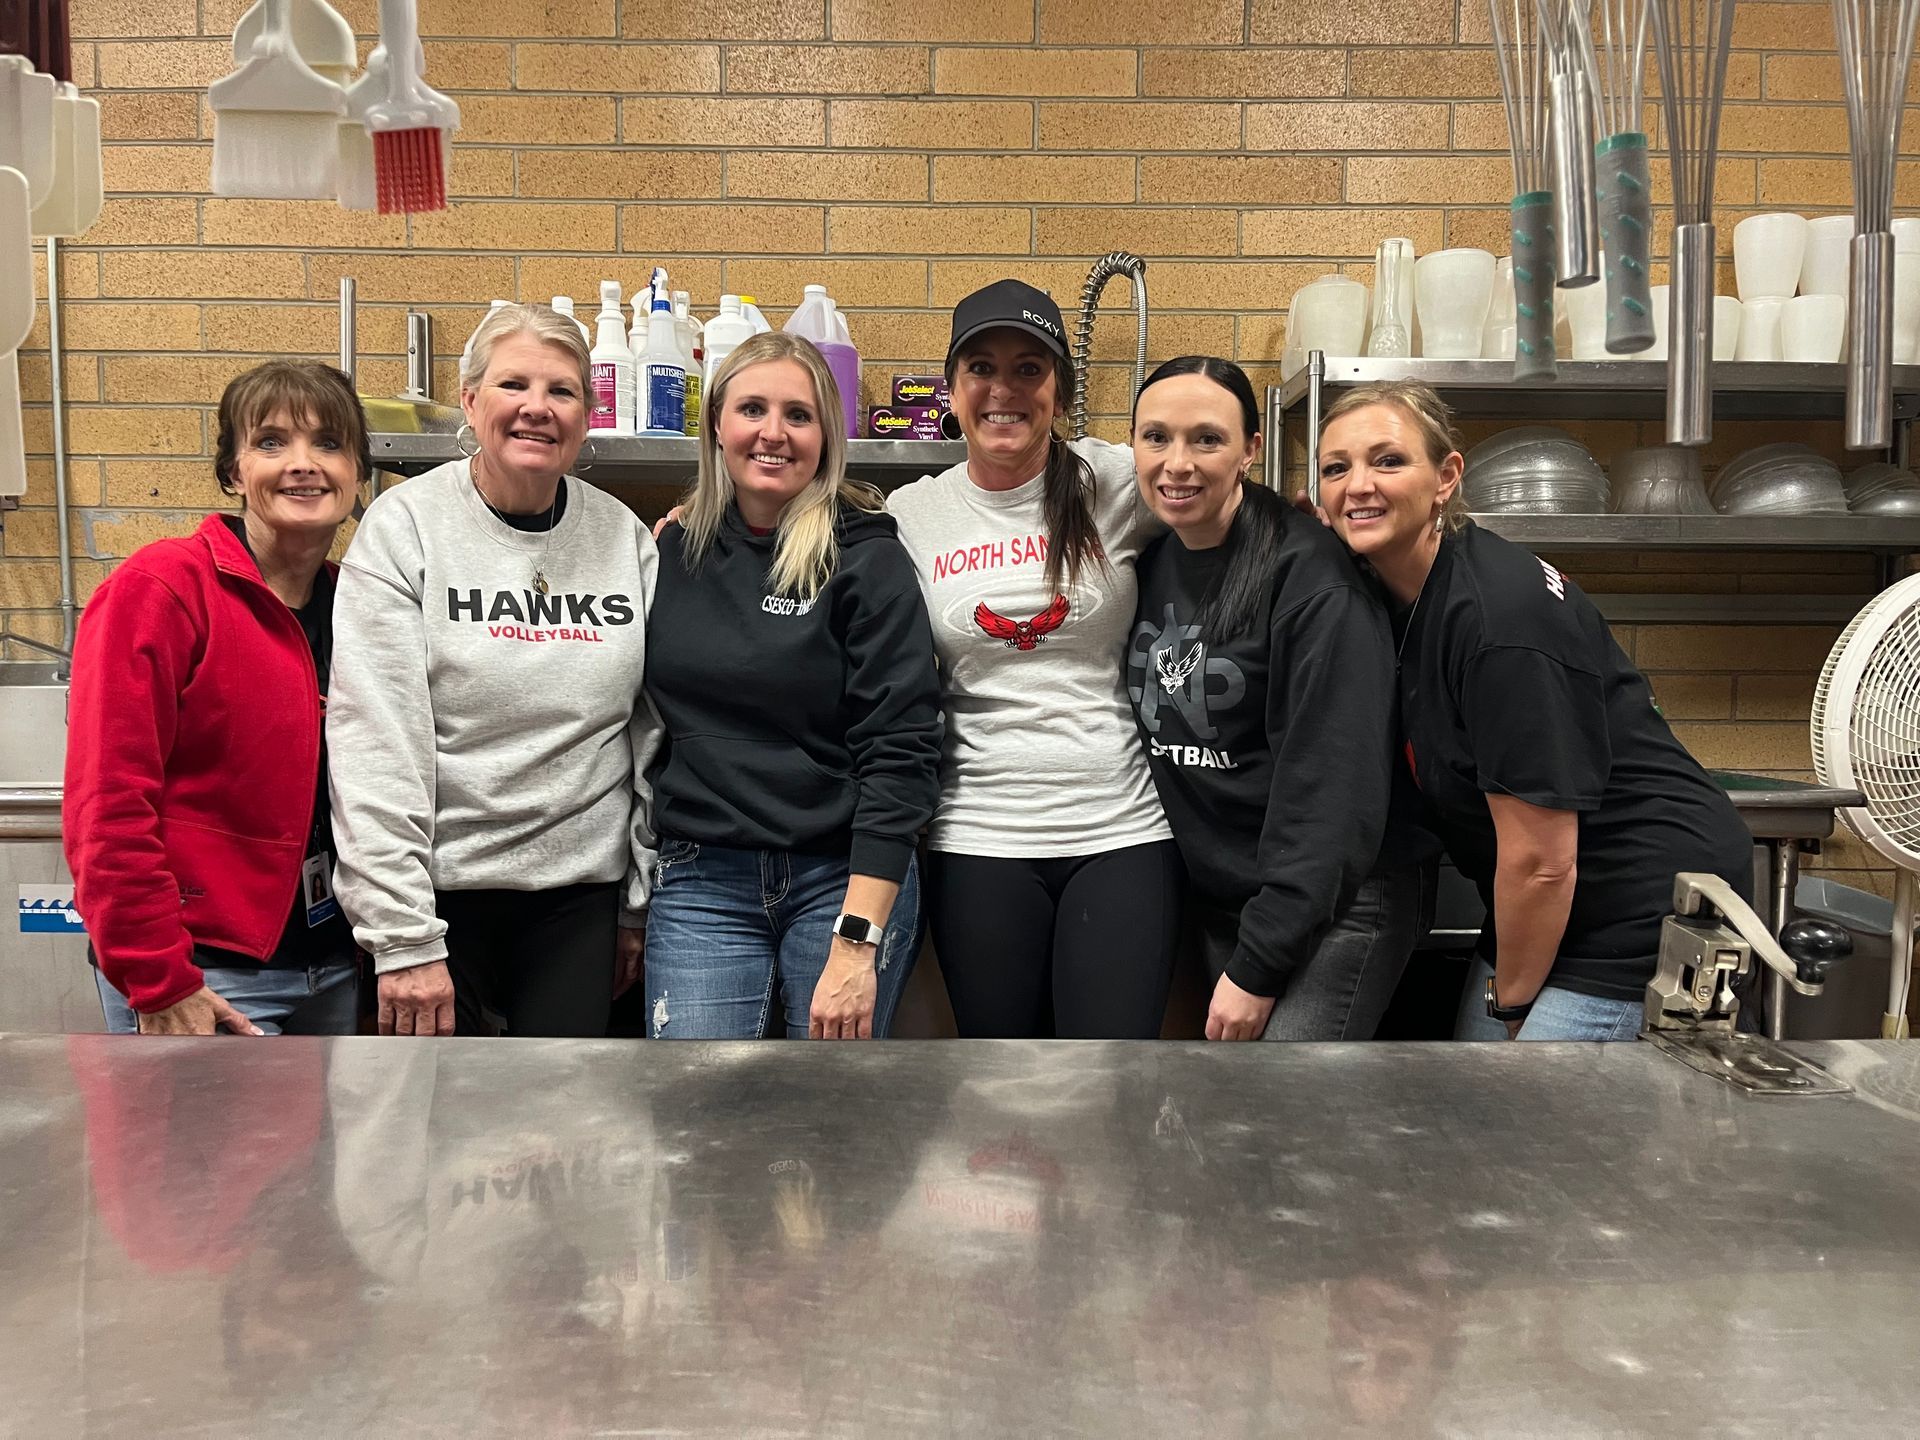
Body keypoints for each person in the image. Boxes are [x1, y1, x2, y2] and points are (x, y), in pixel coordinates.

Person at [1314, 381, 1753, 1041]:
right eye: (1335, 468)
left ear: (1446, 476)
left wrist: (1512, 1009)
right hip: (1546, 905)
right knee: (1485, 1117)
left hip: (1635, 910)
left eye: (1388, 460)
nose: (1358, 485)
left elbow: (1543, 861)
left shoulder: (1499, 618)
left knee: (1527, 1126)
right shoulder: (1404, 592)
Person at [327, 303, 662, 1039]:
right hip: (441, 897)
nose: (537, 409)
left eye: (562, 391)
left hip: (581, 900)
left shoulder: (623, 539)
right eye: (514, 385)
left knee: (566, 1141)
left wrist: (638, 904)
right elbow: (375, 743)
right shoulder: (405, 526)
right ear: (472, 402)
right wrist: (403, 936)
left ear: (587, 414)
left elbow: (649, 736)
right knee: (432, 1132)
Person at [885, 279, 1179, 1038]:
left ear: (1059, 390)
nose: (1003, 391)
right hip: (978, 838)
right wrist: (703, 524)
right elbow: (803, 536)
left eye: (1029, 369)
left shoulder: (1115, 480)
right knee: (1003, 1092)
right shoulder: (912, 513)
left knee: (1108, 1079)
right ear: (951, 389)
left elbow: (1217, 499)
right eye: (980, 368)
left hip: (1121, 831)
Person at [642, 332, 942, 1040]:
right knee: (697, 1117)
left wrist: (855, 943)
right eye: (751, 408)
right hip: (700, 880)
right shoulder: (670, 552)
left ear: (826, 437)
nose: (772, 433)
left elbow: (901, 754)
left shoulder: (866, 560)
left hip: (840, 878)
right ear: (716, 422)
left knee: (830, 1119)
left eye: (798, 416)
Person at [1126, 357, 1427, 1041]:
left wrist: (1259, 964)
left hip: (1333, 899)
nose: (1178, 464)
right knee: (1239, 1113)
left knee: (1283, 1117)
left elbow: (1333, 790)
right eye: (1156, 438)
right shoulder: (1146, 562)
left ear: (1249, 450)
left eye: (1206, 439)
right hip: (1230, 895)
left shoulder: (1310, 577)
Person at [66, 361, 366, 1035]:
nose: (302, 464)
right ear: (232, 472)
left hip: (338, 968)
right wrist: (158, 978)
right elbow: (107, 803)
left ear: (358, 472)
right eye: (270, 443)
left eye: (328, 443)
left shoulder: (357, 605)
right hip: (207, 976)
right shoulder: (162, 590)